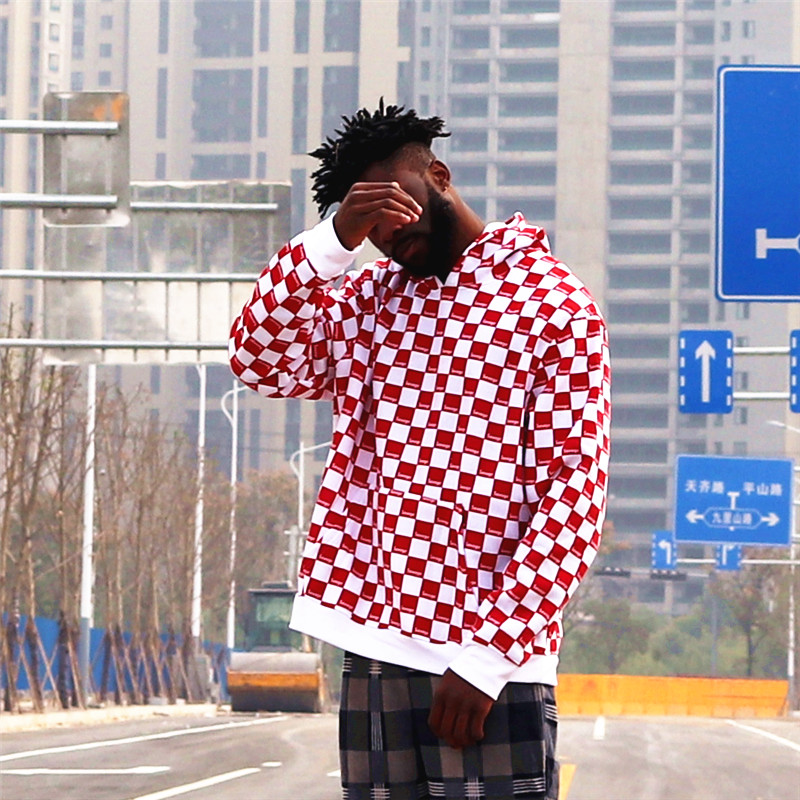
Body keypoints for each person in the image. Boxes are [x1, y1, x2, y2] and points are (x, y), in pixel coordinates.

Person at [229, 100, 611, 800]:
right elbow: (259, 359)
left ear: (438, 175)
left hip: (492, 664)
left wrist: (489, 657)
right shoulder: (365, 302)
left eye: (393, 204)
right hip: (374, 645)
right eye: (369, 223)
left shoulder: (554, 305)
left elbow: (573, 498)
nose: (388, 234)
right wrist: (332, 241)